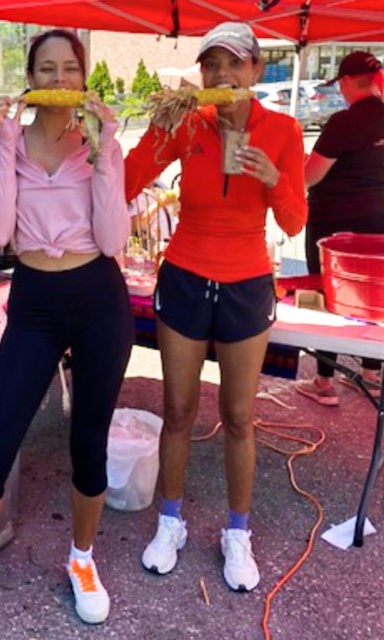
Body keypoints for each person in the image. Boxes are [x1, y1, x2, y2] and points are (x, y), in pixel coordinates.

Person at [0, 29, 134, 639]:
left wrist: (104, 153)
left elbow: (114, 242)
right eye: (45, 69)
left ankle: (81, 559)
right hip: (35, 300)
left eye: (68, 69)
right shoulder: (9, 144)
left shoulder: (102, 145)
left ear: (83, 77)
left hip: (98, 298)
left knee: (88, 444)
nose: (56, 80)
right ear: (29, 78)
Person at [124, 22, 307, 592]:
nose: (222, 75)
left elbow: (296, 220)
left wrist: (273, 177)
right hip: (183, 276)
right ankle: (171, 522)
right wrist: (154, 131)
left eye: (235, 64)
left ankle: (237, 533)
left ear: (255, 70)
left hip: (247, 281)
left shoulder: (283, 129)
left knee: (239, 417)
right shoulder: (189, 124)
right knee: (178, 411)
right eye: (211, 65)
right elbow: (129, 179)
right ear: (200, 74)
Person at [293, 51, 384, 407]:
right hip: (382, 219)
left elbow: (310, 176)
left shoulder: (344, 121)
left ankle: (325, 381)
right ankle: (372, 372)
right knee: (374, 297)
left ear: (346, 82)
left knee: (329, 296)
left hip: (335, 225)